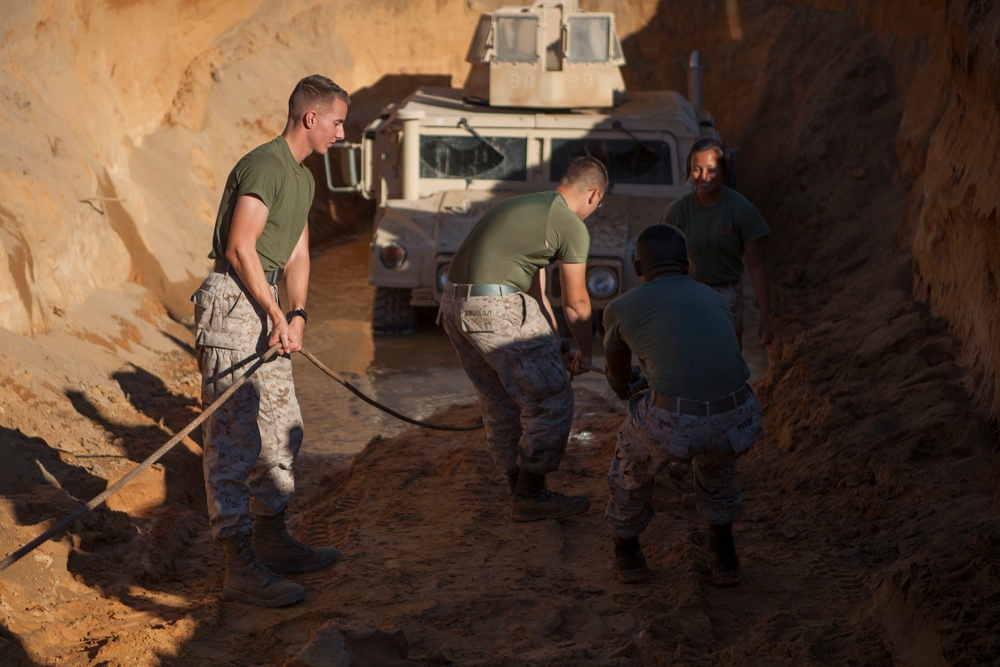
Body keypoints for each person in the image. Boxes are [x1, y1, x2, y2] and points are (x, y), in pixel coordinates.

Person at [191, 75, 350, 608]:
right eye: (337, 122)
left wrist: (297, 314)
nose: (342, 133)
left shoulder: (302, 179)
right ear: (311, 118)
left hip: (265, 308)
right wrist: (275, 311)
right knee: (233, 442)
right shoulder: (265, 165)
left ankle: (272, 540)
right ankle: (239, 567)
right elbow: (240, 247)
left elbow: (299, 255)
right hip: (234, 304)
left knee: (282, 431)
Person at [438, 156, 608, 522]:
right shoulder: (571, 225)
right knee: (552, 398)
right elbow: (576, 302)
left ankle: (518, 487)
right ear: (593, 195)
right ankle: (532, 493)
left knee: (499, 399)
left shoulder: (528, 208)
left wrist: (560, 346)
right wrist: (587, 352)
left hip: (454, 304)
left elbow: (538, 297)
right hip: (493, 305)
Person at [602, 224, 763, 585]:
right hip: (738, 416)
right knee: (717, 464)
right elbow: (714, 366)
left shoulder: (620, 307)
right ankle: (723, 555)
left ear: (638, 268)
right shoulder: (716, 298)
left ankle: (627, 552)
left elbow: (617, 379)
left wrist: (630, 385)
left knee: (630, 458)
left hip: (676, 422)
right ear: (687, 265)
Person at [659, 137, 773, 349]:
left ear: (723, 169)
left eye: (711, 169)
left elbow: (756, 266)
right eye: (697, 169)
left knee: (727, 360)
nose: (704, 177)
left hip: (727, 295)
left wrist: (765, 317)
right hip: (687, 294)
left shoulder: (741, 210)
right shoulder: (677, 211)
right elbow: (658, 261)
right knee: (688, 357)